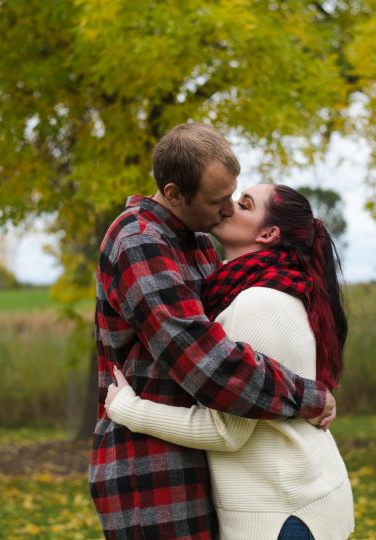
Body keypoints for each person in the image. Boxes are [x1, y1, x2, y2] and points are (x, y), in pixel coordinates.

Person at [90, 124, 336, 539]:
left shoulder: (200, 245)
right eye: (217, 201)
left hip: (201, 458)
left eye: (233, 198)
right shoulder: (139, 241)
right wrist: (309, 396)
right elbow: (205, 362)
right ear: (173, 194)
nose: (226, 211)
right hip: (151, 469)